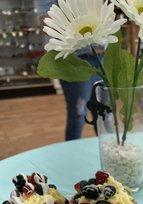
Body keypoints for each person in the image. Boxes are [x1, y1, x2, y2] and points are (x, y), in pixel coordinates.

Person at [37, 0, 101, 141]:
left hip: (101, 55)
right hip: (73, 58)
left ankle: (104, 153)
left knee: (102, 111)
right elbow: (45, 21)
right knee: (78, 113)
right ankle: (72, 155)